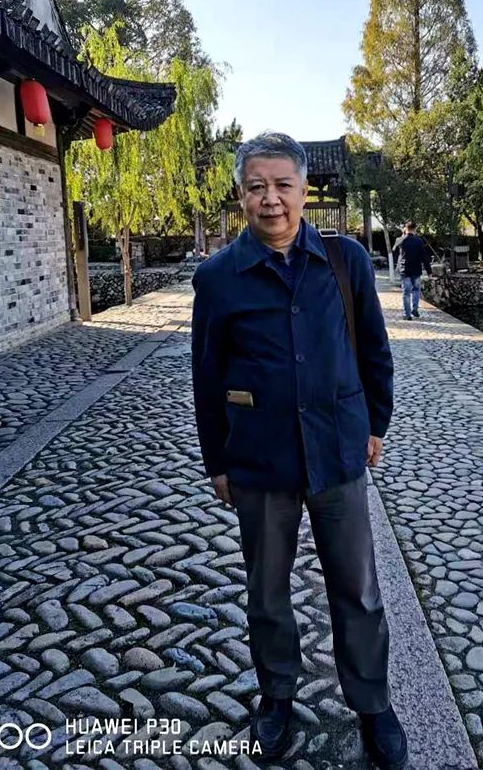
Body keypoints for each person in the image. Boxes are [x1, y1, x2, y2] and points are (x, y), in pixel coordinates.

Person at [191, 132, 407, 769]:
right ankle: (277, 697)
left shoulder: (346, 262)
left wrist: (376, 424)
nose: (271, 199)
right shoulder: (218, 278)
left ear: (304, 190)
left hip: (337, 452)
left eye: (283, 185)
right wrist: (217, 462)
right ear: (241, 194)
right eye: (257, 186)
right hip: (260, 461)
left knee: (358, 589)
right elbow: (206, 376)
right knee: (267, 591)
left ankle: (373, 704)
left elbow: (374, 350)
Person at [393, 221, 432, 321]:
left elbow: (394, 251)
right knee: (416, 290)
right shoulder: (419, 241)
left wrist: (403, 234)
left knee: (406, 293)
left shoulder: (401, 240)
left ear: (406, 229)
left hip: (404, 269)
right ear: (415, 229)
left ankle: (407, 314)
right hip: (416, 270)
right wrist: (429, 272)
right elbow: (424, 257)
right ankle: (415, 309)